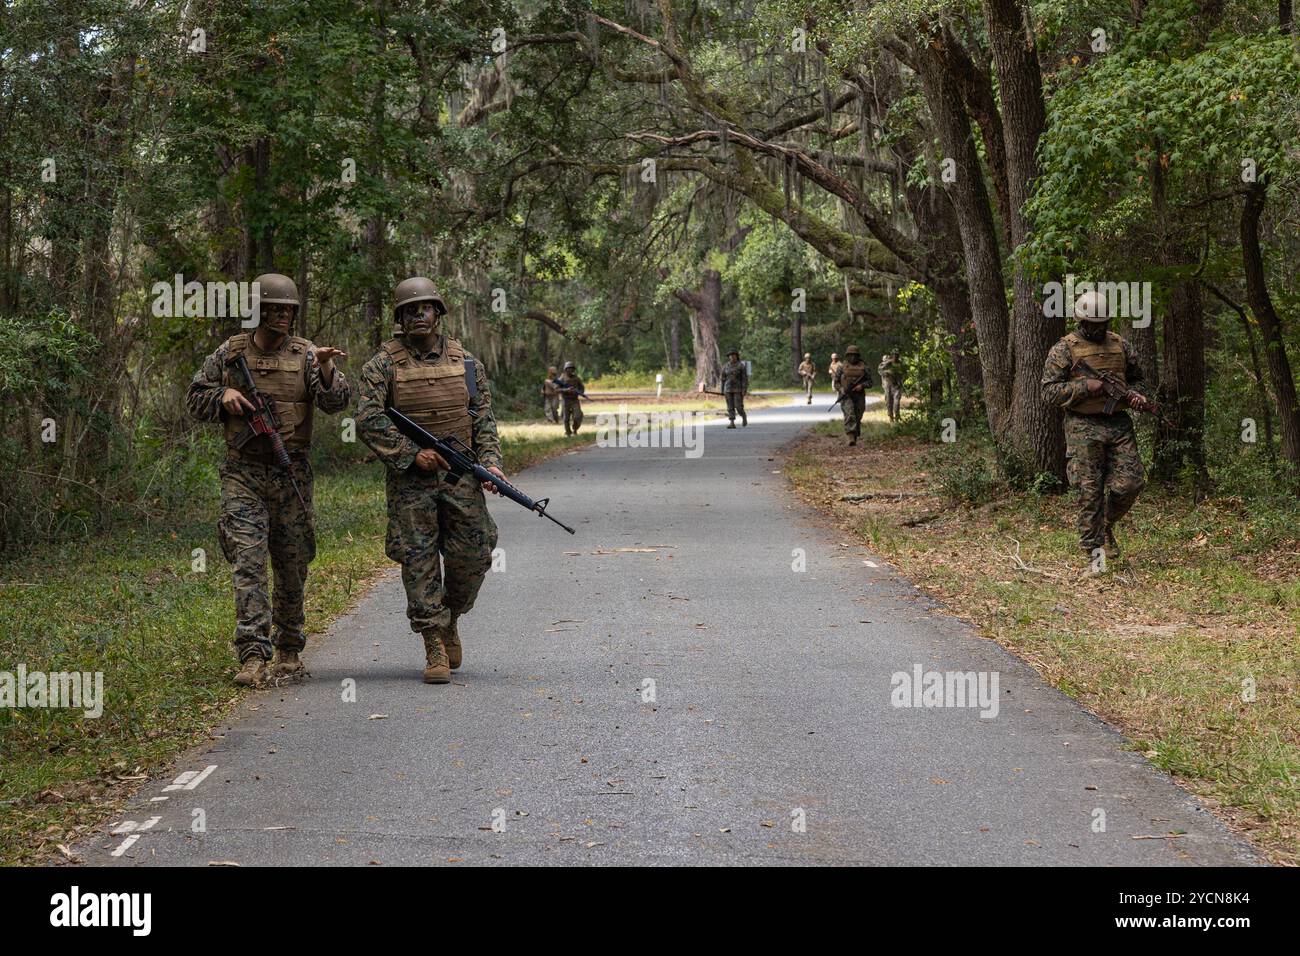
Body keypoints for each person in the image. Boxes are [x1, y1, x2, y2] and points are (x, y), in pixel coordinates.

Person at [186, 272, 351, 686]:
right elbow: (193, 397)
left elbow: (336, 403)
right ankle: (253, 655)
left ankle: (290, 648)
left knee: (292, 561)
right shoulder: (230, 352)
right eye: (273, 308)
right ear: (257, 310)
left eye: (287, 309)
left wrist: (328, 369)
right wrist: (221, 396)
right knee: (248, 561)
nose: (281, 315)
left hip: (291, 469)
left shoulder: (308, 354)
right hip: (243, 471)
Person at [355, 277, 504, 683]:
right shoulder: (382, 365)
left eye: (425, 308)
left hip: (461, 475)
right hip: (411, 482)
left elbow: (483, 417)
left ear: (438, 313)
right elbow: (368, 419)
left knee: (475, 553)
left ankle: (451, 616)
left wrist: (490, 463)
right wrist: (410, 454)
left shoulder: (467, 362)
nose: (418, 314)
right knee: (418, 561)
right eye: (410, 310)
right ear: (400, 318)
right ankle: (434, 643)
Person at [1041, 290, 1153, 569]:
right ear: (1080, 321)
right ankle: (1094, 557)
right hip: (1083, 425)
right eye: (1091, 324)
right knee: (1089, 491)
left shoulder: (1120, 345)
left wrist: (1137, 396)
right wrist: (1084, 387)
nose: (1096, 328)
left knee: (1131, 483)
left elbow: (1139, 380)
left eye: (1101, 323)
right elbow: (1048, 392)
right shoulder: (1064, 349)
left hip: (1118, 424)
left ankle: (1105, 524)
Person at [832, 345, 871, 446]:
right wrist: (841, 389)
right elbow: (836, 382)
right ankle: (850, 436)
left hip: (859, 395)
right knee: (849, 414)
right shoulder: (842, 367)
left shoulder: (864, 367)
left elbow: (870, 382)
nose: (853, 358)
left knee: (858, 415)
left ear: (858, 356)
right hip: (846, 395)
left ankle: (855, 434)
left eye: (855, 355)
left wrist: (861, 386)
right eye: (850, 355)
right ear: (847, 356)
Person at [555, 361, 586, 435]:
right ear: (565, 369)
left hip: (575, 400)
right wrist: (566, 390)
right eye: (568, 369)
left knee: (578, 416)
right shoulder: (561, 379)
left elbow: (582, 387)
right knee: (566, 418)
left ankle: (575, 429)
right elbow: (556, 389)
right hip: (565, 400)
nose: (570, 370)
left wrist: (580, 392)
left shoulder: (576, 378)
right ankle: (568, 432)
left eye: (572, 369)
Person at [720, 348, 749, 428]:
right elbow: (722, 379)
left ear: (737, 356)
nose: (732, 357)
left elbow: (744, 379)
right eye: (730, 356)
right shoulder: (725, 366)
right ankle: (732, 422)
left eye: (733, 355)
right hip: (728, 389)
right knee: (730, 406)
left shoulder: (741, 366)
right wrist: (722, 390)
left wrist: (744, 389)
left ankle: (743, 415)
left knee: (738, 406)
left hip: (738, 389)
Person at [878, 349, 905, 422]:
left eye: (897, 355)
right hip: (888, 385)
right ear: (892, 355)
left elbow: (904, 373)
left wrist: (901, 380)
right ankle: (890, 416)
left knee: (897, 401)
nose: (895, 356)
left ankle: (897, 416)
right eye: (894, 354)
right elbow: (880, 370)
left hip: (897, 385)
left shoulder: (900, 364)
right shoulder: (888, 363)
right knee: (889, 401)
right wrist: (886, 373)